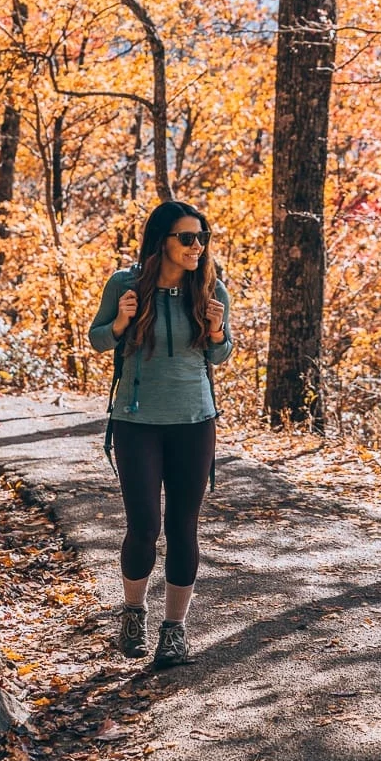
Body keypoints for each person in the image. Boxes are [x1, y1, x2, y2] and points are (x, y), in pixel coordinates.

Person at [88, 201, 232, 668]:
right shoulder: (124, 285)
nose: (197, 246)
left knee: (182, 527)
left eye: (201, 237)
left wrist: (215, 330)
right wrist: (121, 322)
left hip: (195, 421)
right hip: (136, 422)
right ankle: (133, 613)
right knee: (145, 525)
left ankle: (174, 631)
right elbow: (98, 339)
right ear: (161, 242)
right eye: (186, 238)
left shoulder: (210, 289)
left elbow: (220, 355)